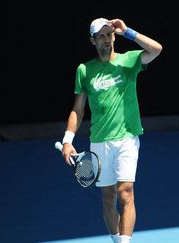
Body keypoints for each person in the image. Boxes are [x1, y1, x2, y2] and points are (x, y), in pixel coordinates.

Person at [60, 17, 162, 243]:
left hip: (127, 138)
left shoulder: (130, 60)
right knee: (108, 197)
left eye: (109, 34)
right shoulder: (84, 70)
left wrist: (128, 32)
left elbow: (157, 48)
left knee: (126, 192)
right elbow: (78, 109)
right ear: (93, 41)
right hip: (99, 140)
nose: (107, 39)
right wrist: (68, 139)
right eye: (101, 36)